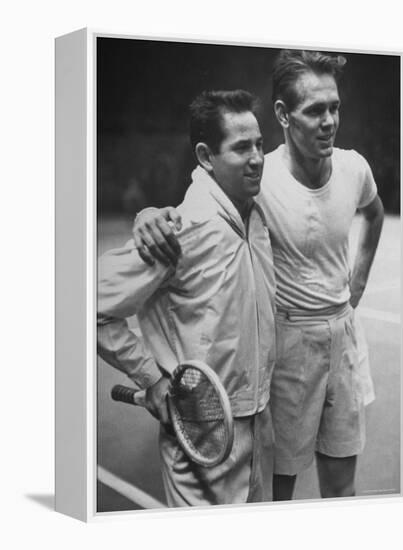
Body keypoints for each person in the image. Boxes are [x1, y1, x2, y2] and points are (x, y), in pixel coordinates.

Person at [132, 50, 385, 501]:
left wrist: (358, 282)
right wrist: (149, 214)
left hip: (344, 337)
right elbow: (196, 205)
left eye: (335, 107)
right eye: (315, 110)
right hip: (288, 349)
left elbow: (374, 211)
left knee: (342, 488)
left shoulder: (354, 168)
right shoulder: (258, 175)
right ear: (284, 115)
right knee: (276, 495)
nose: (329, 121)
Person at [97, 90, 276, 507]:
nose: (256, 158)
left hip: (256, 431)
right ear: (205, 155)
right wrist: (153, 380)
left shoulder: (257, 212)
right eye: (241, 147)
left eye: (260, 144)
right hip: (200, 440)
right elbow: (86, 305)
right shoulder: (180, 230)